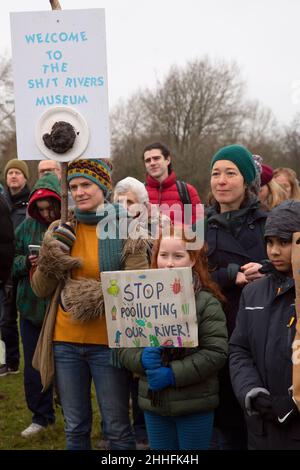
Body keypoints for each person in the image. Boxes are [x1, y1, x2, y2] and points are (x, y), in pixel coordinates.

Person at [31, 159, 149, 450]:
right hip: (65, 342)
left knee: (118, 428)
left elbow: (137, 287)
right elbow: (40, 289)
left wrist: (87, 295)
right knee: (75, 427)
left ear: (103, 186)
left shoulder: (127, 227)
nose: (79, 192)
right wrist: (54, 254)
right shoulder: (60, 228)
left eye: (86, 185)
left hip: (109, 343)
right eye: (73, 186)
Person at [118, 225, 228, 450]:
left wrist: (173, 374)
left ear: (192, 260)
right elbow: (124, 346)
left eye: (178, 256)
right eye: (163, 255)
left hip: (194, 405)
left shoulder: (206, 303)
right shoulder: (140, 300)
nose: (169, 263)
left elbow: (216, 353)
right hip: (154, 404)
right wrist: (140, 359)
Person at [206, 144, 268, 449]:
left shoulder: (267, 222)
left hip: (261, 330)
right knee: (225, 419)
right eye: (216, 173)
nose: (221, 180)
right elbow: (189, 273)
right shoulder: (199, 226)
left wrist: (266, 269)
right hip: (216, 330)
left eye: (230, 173)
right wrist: (232, 274)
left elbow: (287, 262)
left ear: (246, 180)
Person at [229, 200, 300, 450]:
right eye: (270, 242)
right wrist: (253, 392)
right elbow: (240, 349)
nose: (274, 251)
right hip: (261, 429)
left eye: (284, 242)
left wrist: (296, 401)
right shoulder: (254, 293)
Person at [13, 172, 61, 437]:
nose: (45, 213)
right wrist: (25, 263)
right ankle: (41, 417)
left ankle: (73, 413)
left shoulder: (68, 224)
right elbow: (11, 262)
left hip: (60, 308)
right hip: (31, 307)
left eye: (49, 207)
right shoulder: (24, 228)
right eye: (40, 208)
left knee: (65, 367)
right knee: (33, 366)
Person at [0, 159, 30, 376]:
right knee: (6, 318)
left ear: (25, 177)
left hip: (26, 265)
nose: (13, 176)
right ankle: (11, 362)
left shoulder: (31, 203)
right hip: (4, 267)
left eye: (17, 173)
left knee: (27, 317)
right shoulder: (2, 202)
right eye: (10, 173)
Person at [143, 142, 201, 226]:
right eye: (148, 160)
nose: (152, 163)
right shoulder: (139, 192)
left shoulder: (187, 191)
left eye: (156, 158)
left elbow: (198, 229)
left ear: (168, 160)